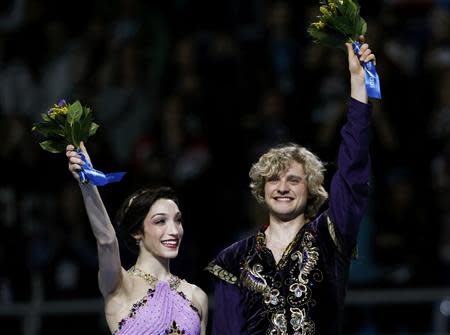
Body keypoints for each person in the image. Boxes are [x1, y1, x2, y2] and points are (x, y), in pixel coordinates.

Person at [206, 37, 376, 334]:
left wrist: (359, 88)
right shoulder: (233, 259)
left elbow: (352, 173)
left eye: (293, 179)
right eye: (274, 179)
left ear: (310, 188)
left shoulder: (330, 236)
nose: (282, 186)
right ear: (261, 190)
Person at [66, 143, 208, 335]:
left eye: (178, 220)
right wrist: (87, 183)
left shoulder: (197, 297)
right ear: (137, 232)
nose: (174, 230)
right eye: (160, 221)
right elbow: (107, 242)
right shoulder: (120, 285)